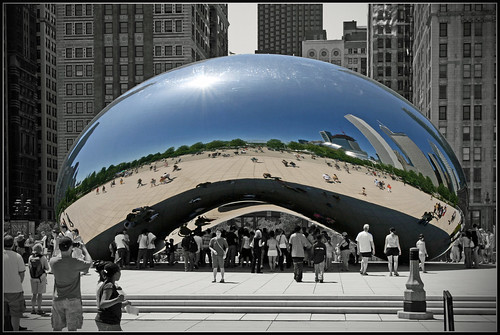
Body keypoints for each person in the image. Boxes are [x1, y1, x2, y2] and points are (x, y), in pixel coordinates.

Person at [50, 236, 92, 331]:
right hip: (73, 299)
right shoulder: (75, 262)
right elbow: (90, 263)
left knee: (57, 328)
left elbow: (57, 256)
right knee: (72, 329)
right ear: (70, 248)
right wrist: (84, 249)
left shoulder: (53, 262)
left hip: (57, 299)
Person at [95, 262, 131, 331]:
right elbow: (102, 304)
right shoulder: (109, 286)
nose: (120, 274)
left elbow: (110, 305)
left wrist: (123, 304)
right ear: (116, 273)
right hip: (109, 322)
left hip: (106, 321)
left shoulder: (107, 284)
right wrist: (117, 300)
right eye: (120, 271)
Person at [4, 235, 28, 331]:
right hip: (15, 290)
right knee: (15, 315)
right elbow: (22, 273)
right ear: (13, 244)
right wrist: (18, 283)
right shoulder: (17, 256)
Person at [28, 243, 50, 316]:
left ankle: (33, 309)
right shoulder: (43, 258)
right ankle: (39, 309)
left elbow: (29, 267)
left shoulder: (30, 257)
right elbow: (47, 268)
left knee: (34, 294)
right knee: (40, 294)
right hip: (41, 277)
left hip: (33, 278)